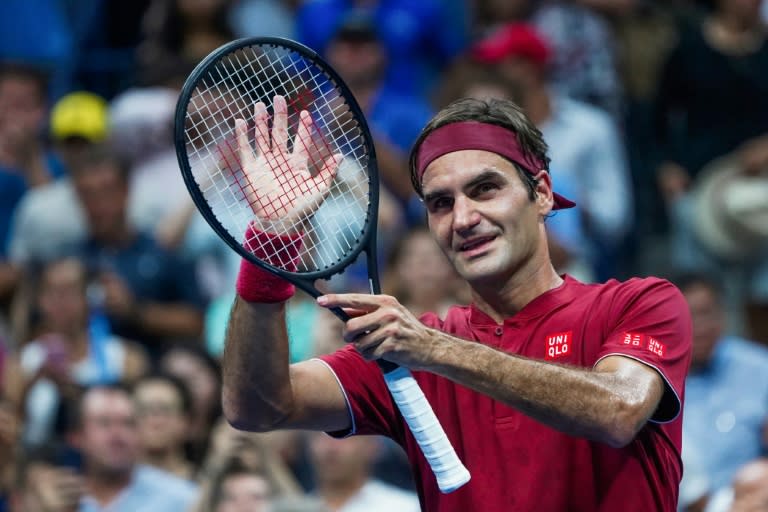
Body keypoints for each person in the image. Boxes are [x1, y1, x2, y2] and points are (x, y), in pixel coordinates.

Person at [221, 96, 693, 511]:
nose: (464, 218)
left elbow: (619, 409)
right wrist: (271, 246)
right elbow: (259, 407)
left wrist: (435, 352)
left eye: (485, 189)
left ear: (543, 194)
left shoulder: (638, 302)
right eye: (441, 203)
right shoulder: (407, 347)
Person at [672, 272, 768, 511]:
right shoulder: (653, 380)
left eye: (707, 313)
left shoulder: (759, 367)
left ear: (723, 315)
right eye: (689, 316)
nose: (700, 326)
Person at [67, 384, 199, 511]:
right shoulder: (58, 499)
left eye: (128, 423)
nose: (117, 435)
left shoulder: (184, 500)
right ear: (77, 437)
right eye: (104, 423)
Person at [306, 432, 420, 512]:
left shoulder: (406, 507)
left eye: (343, 437)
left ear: (372, 446)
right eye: (319, 436)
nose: (330, 448)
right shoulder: (294, 506)